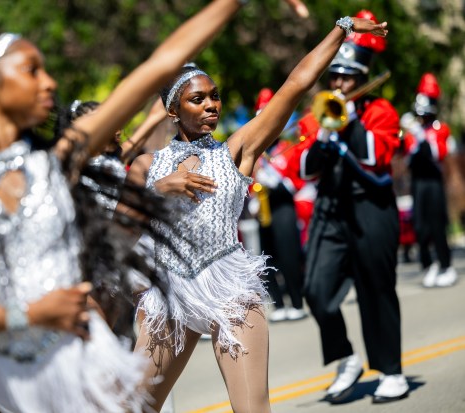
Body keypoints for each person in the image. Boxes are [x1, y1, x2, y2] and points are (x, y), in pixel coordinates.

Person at [0, 1, 261, 412]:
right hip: (0, 379)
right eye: (32, 70)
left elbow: (161, 64)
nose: (50, 82)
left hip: (79, 363)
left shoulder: (56, 164)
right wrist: (30, 314)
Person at [127, 15, 388, 413]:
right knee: (134, 407)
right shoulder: (147, 166)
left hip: (228, 282)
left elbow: (295, 86)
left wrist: (341, 29)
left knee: (252, 409)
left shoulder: (236, 149)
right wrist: (162, 190)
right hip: (170, 290)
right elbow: (119, 228)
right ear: (172, 110)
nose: (212, 105)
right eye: (198, 99)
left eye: (214, 96)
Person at [291, 9, 409, 405]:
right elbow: (305, 170)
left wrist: (350, 122)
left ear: (361, 77)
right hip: (331, 209)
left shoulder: (381, 112)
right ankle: (346, 357)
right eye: (335, 76)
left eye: (346, 77)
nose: (339, 83)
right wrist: (323, 135)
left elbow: (376, 158)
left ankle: (391, 370)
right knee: (317, 291)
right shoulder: (318, 115)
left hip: (372, 208)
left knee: (377, 289)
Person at [254, 88, 308, 322]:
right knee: (267, 259)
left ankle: (296, 303)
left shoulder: (287, 149)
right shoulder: (255, 155)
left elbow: (296, 184)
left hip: (284, 208)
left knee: (289, 257)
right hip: (263, 210)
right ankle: (278, 304)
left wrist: (275, 181)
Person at [400, 73, 458, 287]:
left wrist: (419, 135)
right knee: (420, 226)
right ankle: (428, 266)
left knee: (437, 225)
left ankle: (446, 265)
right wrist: (410, 135)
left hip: (433, 182)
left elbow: (437, 154)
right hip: (417, 183)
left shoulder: (439, 129)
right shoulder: (413, 132)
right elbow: (405, 158)